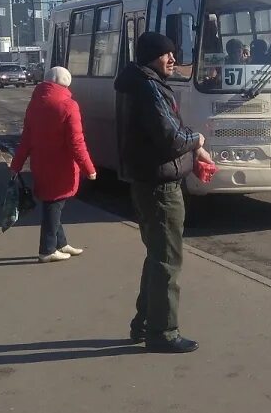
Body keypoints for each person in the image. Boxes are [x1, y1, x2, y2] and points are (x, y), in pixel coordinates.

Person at [114, 32, 211, 354]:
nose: (172, 59)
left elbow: (165, 132)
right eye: (165, 54)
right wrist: (196, 140)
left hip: (150, 184)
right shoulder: (149, 88)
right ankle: (163, 332)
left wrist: (192, 149)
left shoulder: (142, 84)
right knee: (167, 261)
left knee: (158, 257)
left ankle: (145, 324)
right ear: (150, 57)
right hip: (161, 188)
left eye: (172, 53)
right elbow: (170, 137)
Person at [9, 66, 96, 263]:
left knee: (53, 203)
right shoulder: (68, 105)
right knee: (53, 206)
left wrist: (16, 165)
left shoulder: (35, 104)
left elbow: (26, 139)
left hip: (41, 164)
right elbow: (76, 142)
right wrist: (88, 168)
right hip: (62, 166)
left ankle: (60, 243)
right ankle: (47, 250)